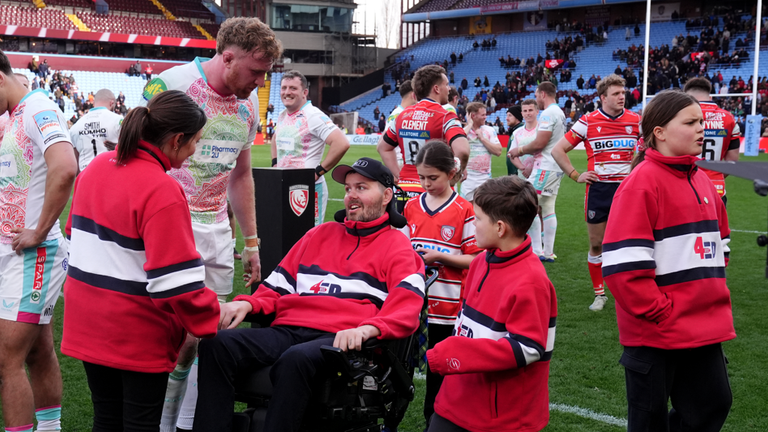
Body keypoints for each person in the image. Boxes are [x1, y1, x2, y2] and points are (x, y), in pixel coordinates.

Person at [192, 157, 426, 432]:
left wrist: (367, 330)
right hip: (289, 330)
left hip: (341, 340)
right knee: (216, 344)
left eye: (361, 188)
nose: (351, 196)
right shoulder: (319, 234)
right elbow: (277, 287)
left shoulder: (399, 247)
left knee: (296, 359)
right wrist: (247, 303)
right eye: (348, 188)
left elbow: (406, 309)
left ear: (387, 195)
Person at [141, 17, 282, 431]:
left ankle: (183, 424)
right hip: (165, 229)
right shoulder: (171, 84)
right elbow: (132, 156)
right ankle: (160, 422)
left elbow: (240, 175)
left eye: (265, 74)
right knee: (163, 333)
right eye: (255, 71)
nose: (259, 82)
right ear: (227, 57)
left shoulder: (247, 106)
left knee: (203, 336)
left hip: (217, 233)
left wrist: (251, 242)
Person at [61, 90, 222, 432]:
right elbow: (174, 283)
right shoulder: (161, 188)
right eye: (194, 142)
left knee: (106, 417)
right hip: (133, 329)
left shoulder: (94, 168)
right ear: (177, 138)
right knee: (140, 423)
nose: (194, 152)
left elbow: (75, 237)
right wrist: (212, 319)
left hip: (87, 320)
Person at [603, 90, 734, 432]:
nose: (701, 129)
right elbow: (622, 266)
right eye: (690, 123)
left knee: (713, 404)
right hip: (655, 331)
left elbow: (722, 242)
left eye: (701, 122)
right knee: (649, 422)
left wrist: (709, 291)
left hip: (703, 324)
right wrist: (659, 310)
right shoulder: (641, 184)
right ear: (658, 132)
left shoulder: (703, 178)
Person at [426, 176, 557, 432]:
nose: (473, 225)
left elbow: (529, 348)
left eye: (477, 218)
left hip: (499, 418)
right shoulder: (480, 261)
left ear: (499, 228)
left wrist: (458, 352)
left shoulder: (531, 282)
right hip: (456, 400)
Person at [0, 50, 77, 432]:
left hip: (33, 255)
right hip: (13, 252)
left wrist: (40, 230)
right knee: (37, 352)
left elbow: (65, 168)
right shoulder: (12, 115)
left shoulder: (38, 108)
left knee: (6, 360)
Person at [400, 141, 482, 429]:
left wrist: (439, 257)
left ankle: (432, 422)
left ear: (451, 173)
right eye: (422, 177)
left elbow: (476, 260)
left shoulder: (465, 210)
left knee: (439, 372)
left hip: (446, 310)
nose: (426, 183)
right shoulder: (410, 207)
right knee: (401, 369)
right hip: (410, 307)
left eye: (432, 177)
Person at [551, 74, 641, 311]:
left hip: (627, 190)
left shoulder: (636, 120)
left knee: (630, 243)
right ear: (603, 97)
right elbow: (558, 150)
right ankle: (599, 294)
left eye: (623, 93)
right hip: (599, 190)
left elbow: (652, 145)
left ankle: (630, 290)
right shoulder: (588, 121)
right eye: (616, 94)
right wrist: (575, 175)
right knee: (597, 243)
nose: (622, 97)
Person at [378, 65, 469, 207]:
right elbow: (462, 150)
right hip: (434, 190)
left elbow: (383, 148)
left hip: (405, 189)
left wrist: (399, 174)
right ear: (437, 89)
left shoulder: (402, 115)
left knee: (406, 229)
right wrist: (455, 174)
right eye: (446, 84)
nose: (449, 89)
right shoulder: (445, 116)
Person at [272, 70, 350, 226]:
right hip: (284, 185)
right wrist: (275, 163)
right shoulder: (282, 115)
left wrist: (318, 172)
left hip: (308, 190)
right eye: (284, 88)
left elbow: (341, 143)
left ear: (304, 92)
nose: (287, 92)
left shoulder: (313, 115)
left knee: (308, 238)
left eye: (293, 88)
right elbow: (275, 138)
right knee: (287, 236)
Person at [508, 82, 565, 262]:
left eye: (536, 94)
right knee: (548, 208)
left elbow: (540, 143)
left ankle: (536, 250)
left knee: (527, 203)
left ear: (542, 94)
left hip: (545, 166)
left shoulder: (548, 113)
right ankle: (546, 252)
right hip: (555, 166)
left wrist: (520, 150)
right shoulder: (560, 112)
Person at [683, 77, 740, 205]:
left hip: (686, 185)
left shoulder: (681, 116)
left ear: (686, 97)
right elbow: (732, 161)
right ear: (710, 97)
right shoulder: (729, 118)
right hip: (716, 188)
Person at [508, 99, 545, 257]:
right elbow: (511, 154)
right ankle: (533, 244)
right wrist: (523, 168)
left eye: (531, 110)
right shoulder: (517, 133)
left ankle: (540, 244)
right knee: (529, 208)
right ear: (521, 113)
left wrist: (532, 167)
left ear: (537, 111)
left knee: (540, 208)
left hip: (540, 172)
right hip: (523, 175)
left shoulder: (542, 130)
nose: (528, 113)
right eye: (525, 111)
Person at [69, 88, 123, 172]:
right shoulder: (119, 121)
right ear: (112, 102)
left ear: (94, 103)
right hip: (112, 173)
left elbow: (75, 161)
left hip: (86, 175)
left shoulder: (75, 127)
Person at [460, 102, 502, 202]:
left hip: (485, 179)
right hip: (467, 179)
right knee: (466, 210)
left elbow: (498, 151)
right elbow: (458, 140)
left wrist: (482, 138)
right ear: (473, 116)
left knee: (485, 210)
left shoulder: (489, 130)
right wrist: (470, 124)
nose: (485, 117)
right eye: (483, 115)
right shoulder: (463, 131)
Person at [505, 105, 524, 176]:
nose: (506, 118)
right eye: (507, 116)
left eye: (510, 115)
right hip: (514, 173)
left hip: (518, 173)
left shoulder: (521, 132)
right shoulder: (514, 131)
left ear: (517, 117)